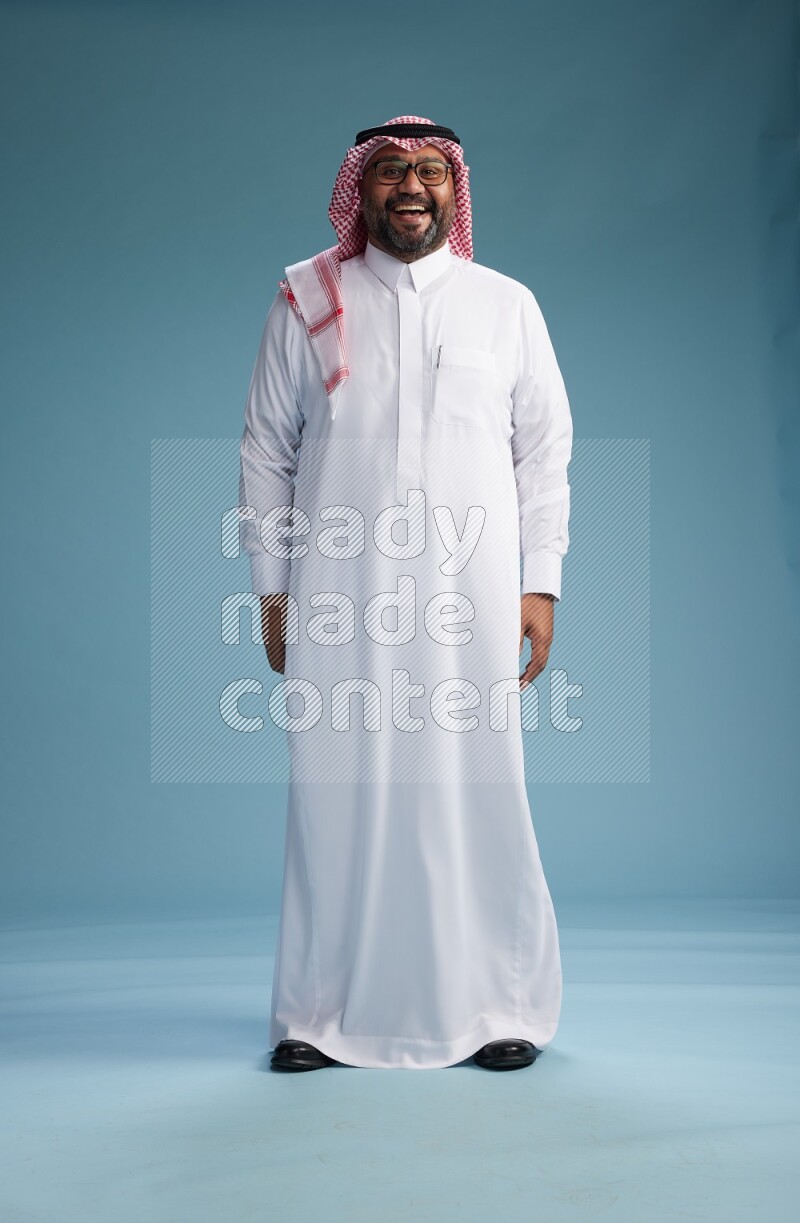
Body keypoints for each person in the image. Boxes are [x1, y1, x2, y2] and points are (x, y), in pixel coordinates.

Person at [237, 115, 573, 1072]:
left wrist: (539, 585)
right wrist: (273, 592)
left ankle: (500, 1004)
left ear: (455, 190)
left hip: (469, 596)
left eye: (430, 170)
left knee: (477, 790)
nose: (411, 186)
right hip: (338, 593)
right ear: (362, 189)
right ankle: (314, 1013)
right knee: (334, 797)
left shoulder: (505, 305)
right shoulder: (306, 297)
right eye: (389, 171)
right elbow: (266, 450)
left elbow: (543, 454)